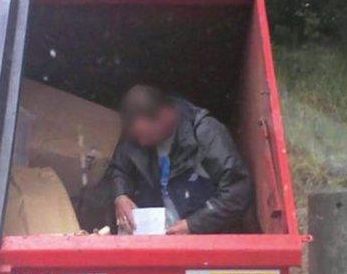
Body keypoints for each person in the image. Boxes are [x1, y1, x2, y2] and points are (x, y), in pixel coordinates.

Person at [108, 85, 253, 235]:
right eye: (137, 136)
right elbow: (119, 167)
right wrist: (121, 195)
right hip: (158, 237)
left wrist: (194, 225)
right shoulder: (138, 136)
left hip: (207, 237)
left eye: (146, 135)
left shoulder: (205, 133)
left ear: (164, 115)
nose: (142, 142)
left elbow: (237, 191)